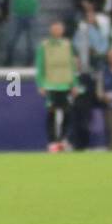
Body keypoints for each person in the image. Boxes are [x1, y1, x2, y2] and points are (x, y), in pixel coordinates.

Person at [36, 21, 78, 152]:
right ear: (51, 31)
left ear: (62, 31)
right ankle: (53, 141)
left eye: (59, 29)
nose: (57, 32)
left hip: (65, 84)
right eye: (54, 29)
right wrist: (40, 84)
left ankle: (63, 139)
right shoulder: (45, 46)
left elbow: (72, 65)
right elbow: (40, 65)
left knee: (68, 113)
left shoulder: (67, 45)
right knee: (51, 114)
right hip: (50, 84)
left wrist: (74, 84)